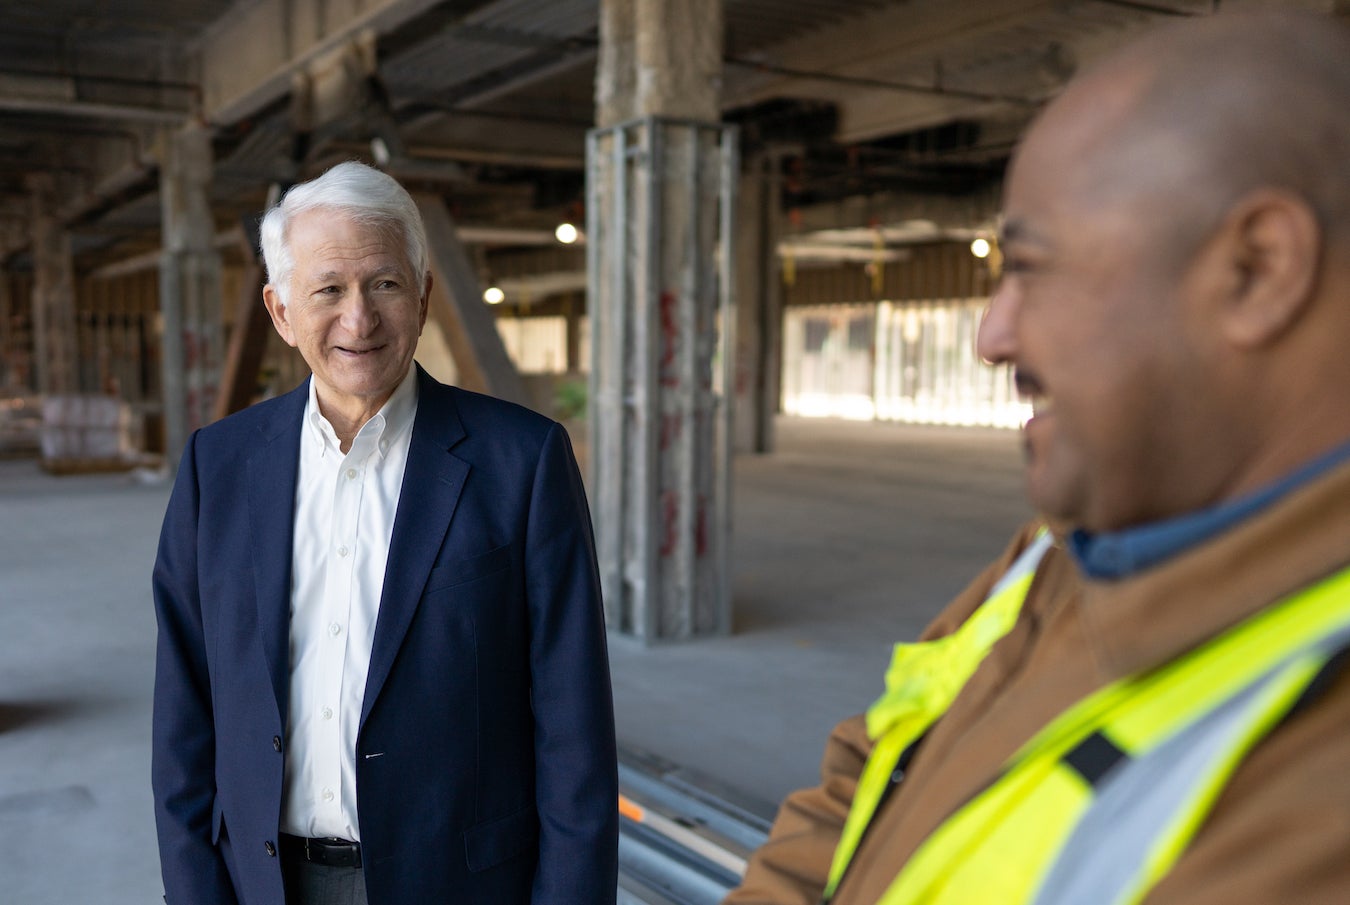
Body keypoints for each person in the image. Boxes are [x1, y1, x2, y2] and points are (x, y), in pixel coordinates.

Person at [727, 10, 1350, 905]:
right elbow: (868, 775)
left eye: (1031, 267)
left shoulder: (1318, 778)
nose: (991, 334)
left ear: (1258, 270)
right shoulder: (1059, 549)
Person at [152, 161, 618, 905]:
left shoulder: (521, 461)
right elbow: (185, 708)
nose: (359, 319)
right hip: (265, 880)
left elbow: (575, 727)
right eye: (328, 288)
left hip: (459, 884)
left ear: (425, 295)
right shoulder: (221, 464)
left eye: (386, 283)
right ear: (280, 311)